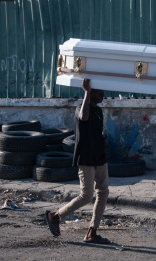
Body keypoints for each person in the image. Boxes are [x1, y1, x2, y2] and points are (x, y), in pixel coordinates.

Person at [45, 78, 110, 244]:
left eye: (103, 91)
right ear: (91, 92)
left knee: (103, 192)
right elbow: (83, 118)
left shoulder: (99, 111)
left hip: (99, 158)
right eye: (99, 92)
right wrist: (87, 92)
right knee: (86, 195)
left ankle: (92, 232)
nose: (103, 94)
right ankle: (55, 216)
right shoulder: (80, 108)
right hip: (86, 158)